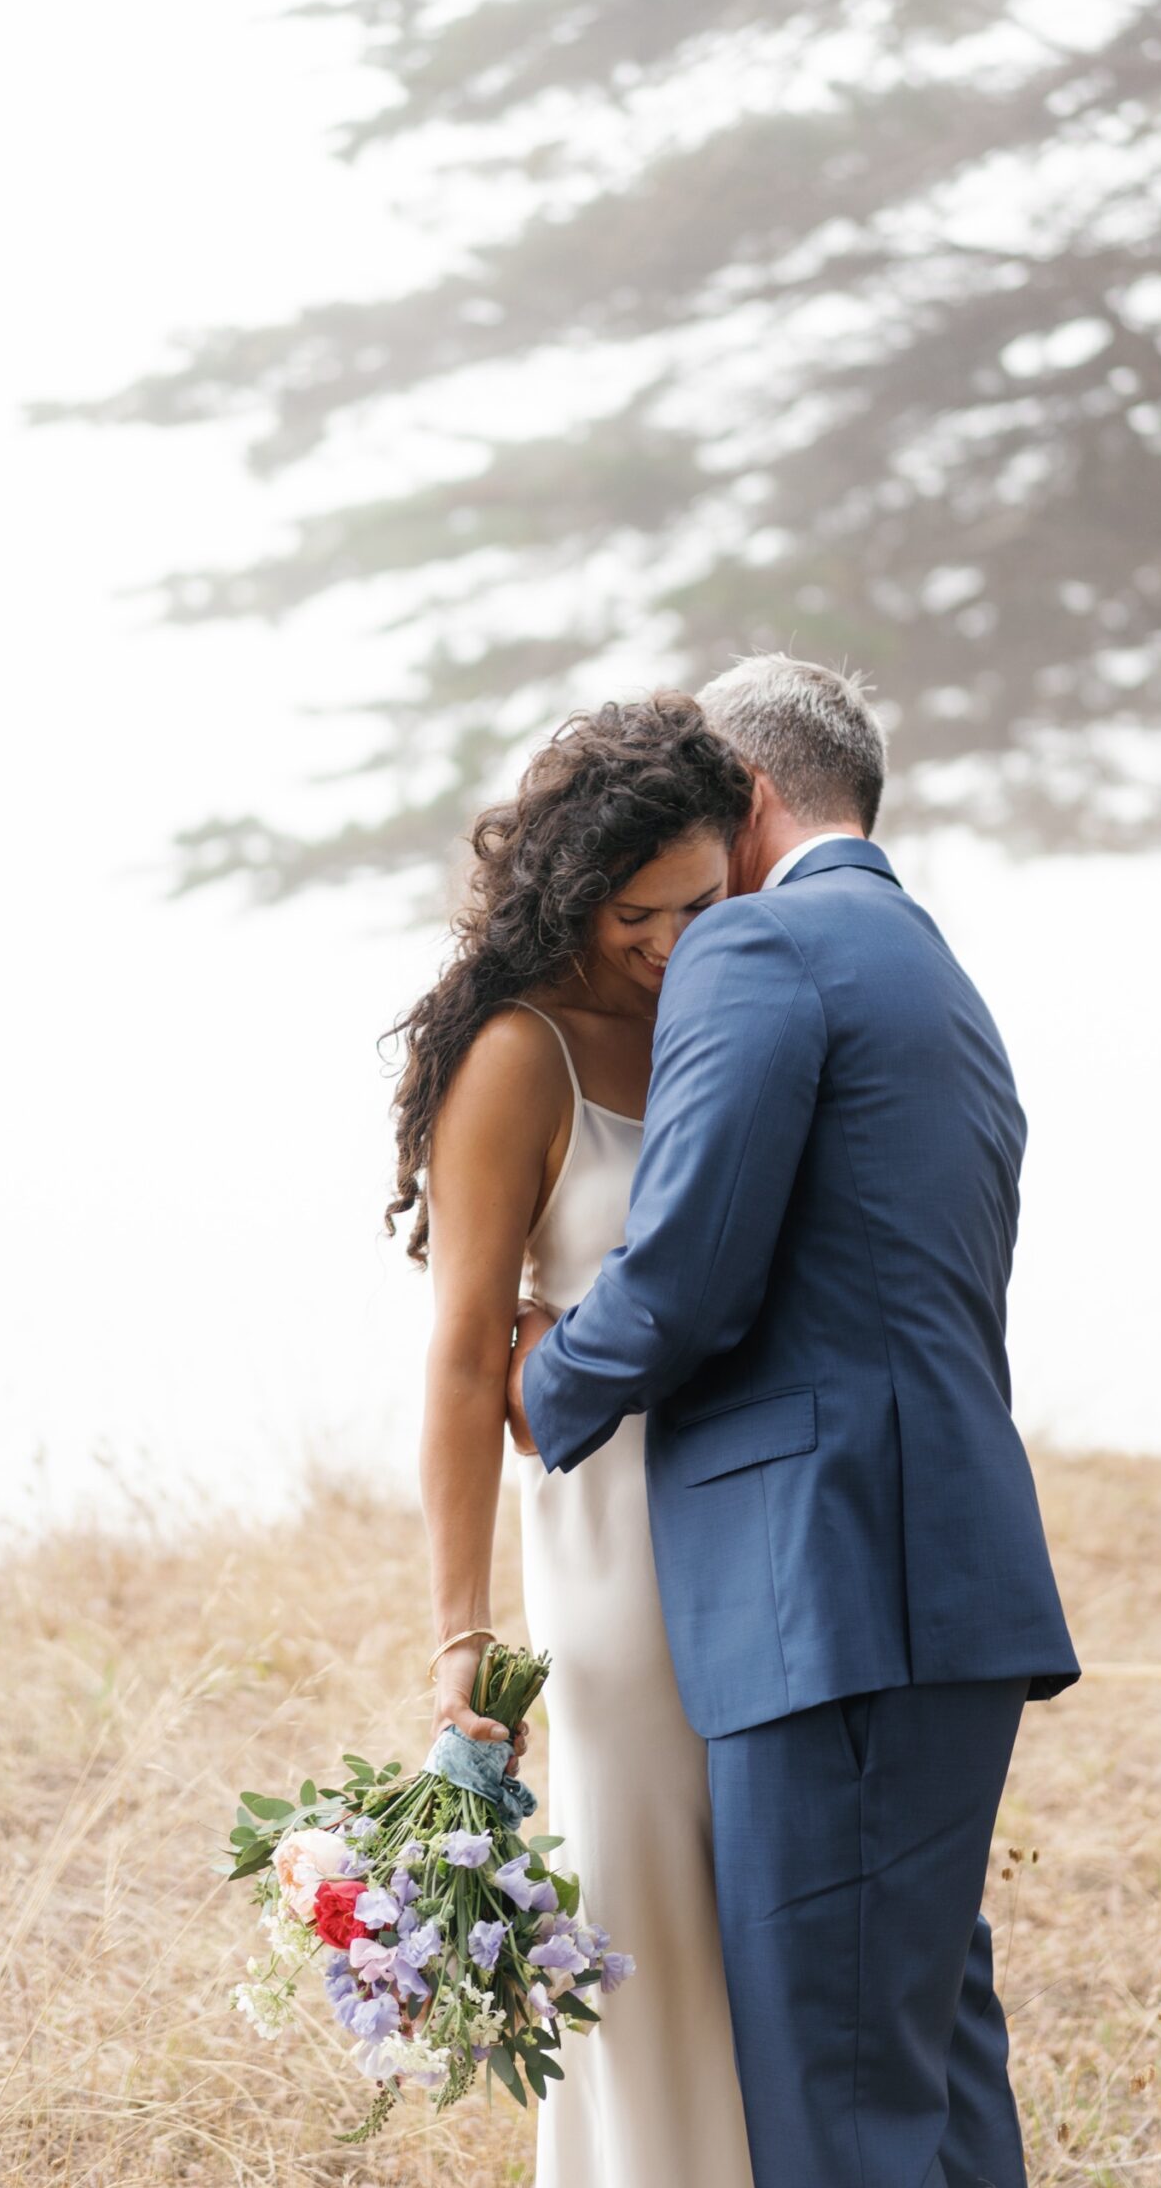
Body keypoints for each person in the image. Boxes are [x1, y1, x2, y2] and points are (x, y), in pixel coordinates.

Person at [508, 653, 1081, 2188]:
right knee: (930, 2074)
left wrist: (539, 1378)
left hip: (825, 1591)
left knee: (830, 2111)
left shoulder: (756, 944)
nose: (674, 899)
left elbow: (687, 1268)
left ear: (748, 797)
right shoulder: (932, 973)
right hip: (939, 1587)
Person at [389, 691, 757, 2188]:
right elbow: (469, 1352)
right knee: (645, 1898)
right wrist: (458, 1640)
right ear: (568, 891)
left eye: (701, 901)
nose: (674, 939)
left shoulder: (728, 996)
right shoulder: (517, 1055)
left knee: (750, 1906)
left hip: (758, 1501)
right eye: (638, 914)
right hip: (612, 1534)